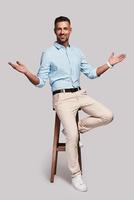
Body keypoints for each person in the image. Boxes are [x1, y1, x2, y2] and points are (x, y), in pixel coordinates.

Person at [8, 16, 126, 192]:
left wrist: (109, 64)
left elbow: (92, 73)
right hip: (62, 98)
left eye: (65, 28)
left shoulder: (77, 52)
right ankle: (76, 175)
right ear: (54, 31)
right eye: (59, 29)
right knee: (72, 136)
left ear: (70, 30)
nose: (62, 32)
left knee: (108, 115)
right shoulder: (48, 53)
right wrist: (26, 72)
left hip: (80, 93)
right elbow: (40, 82)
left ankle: (76, 128)